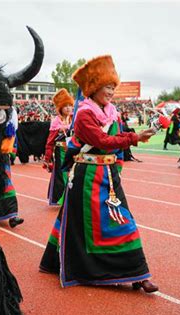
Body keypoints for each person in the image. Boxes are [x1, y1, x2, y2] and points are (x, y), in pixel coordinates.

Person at [39, 55, 158, 292]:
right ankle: (73, 265)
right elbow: (102, 140)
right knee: (83, 224)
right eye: (107, 86)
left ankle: (138, 273)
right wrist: (135, 138)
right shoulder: (83, 115)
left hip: (110, 177)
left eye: (114, 87)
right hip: (87, 177)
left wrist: (121, 165)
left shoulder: (113, 113)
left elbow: (117, 144)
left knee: (123, 221)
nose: (112, 91)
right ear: (93, 88)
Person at [43, 88, 74, 205]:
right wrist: (47, 157)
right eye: (65, 105)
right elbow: (50, 141)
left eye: (70, 105)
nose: (68, 108)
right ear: (60, 107)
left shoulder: (74, 119)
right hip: (61, 152)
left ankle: (71, 198)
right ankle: (63, 198)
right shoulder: (56, 121)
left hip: (74, 151)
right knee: (62, 176)